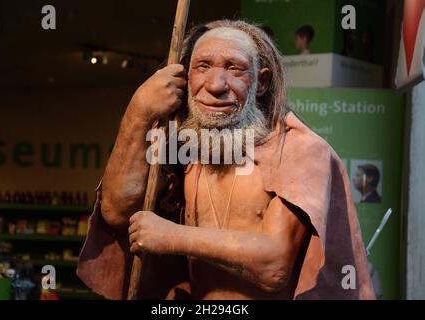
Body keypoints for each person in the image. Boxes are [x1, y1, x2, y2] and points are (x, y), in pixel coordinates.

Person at [77, 20, 375, 300]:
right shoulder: (185, 144)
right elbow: (117, 214)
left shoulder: (300, 148)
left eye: (234, 68)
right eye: (203, 66)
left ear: (261, 82)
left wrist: (170, 235)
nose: (216, 84)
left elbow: (274, 266)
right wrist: (139, 111)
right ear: (185, 76)